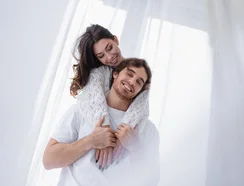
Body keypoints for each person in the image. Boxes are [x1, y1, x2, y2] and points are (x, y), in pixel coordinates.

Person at [42, 58, 160, 186]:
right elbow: (49, 160)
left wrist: (136, 147)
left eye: (139, 82)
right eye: (129, 73)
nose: (132, 82)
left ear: (141, 91)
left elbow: (153, 180)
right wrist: (90, 141)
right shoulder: (81, 110)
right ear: (115, 74)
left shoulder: (147, 130)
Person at [70, 24, 150, 168]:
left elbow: (140, 106)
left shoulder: (140, 74)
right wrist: (104, 137)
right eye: (101, 56)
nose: (110, 57)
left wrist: (123, 139)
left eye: (110, 48)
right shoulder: (99, 74)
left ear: (116, 40)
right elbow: (96, 101)